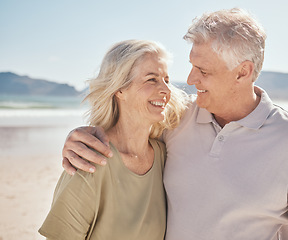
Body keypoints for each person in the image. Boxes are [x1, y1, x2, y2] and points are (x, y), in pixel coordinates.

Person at [61, 8, 288, 239]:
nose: (190, 80)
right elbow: (128, 119)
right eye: (192, 66)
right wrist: (82, 136)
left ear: (243, 72)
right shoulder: (176, 117)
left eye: (203, 71)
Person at [39, 39, 188, 239]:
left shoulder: (164, 154)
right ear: (120, 89)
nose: (166, 90)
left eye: (166, 80)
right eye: (151, 79)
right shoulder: (89, 160)